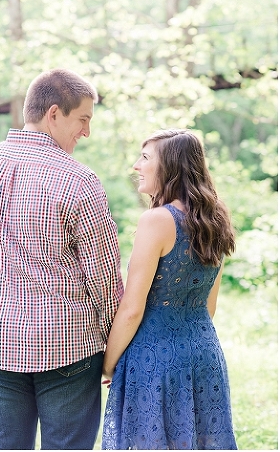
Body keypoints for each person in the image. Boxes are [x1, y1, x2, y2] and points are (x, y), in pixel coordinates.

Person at [0, 68, 124, 450]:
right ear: (55, 113)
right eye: (84, 119)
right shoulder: (78, 180)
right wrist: (116, 342)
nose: (86, 132)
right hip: (69, 348)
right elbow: (104, 277)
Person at [102, 129, 237, 449]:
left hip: (155, 360)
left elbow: (133, 308)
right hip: (204, 354)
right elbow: (209, 306)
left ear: (171, 166)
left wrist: (108, 365)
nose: (136, 165)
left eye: (146, 158)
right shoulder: (215, 216)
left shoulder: (157, 220)